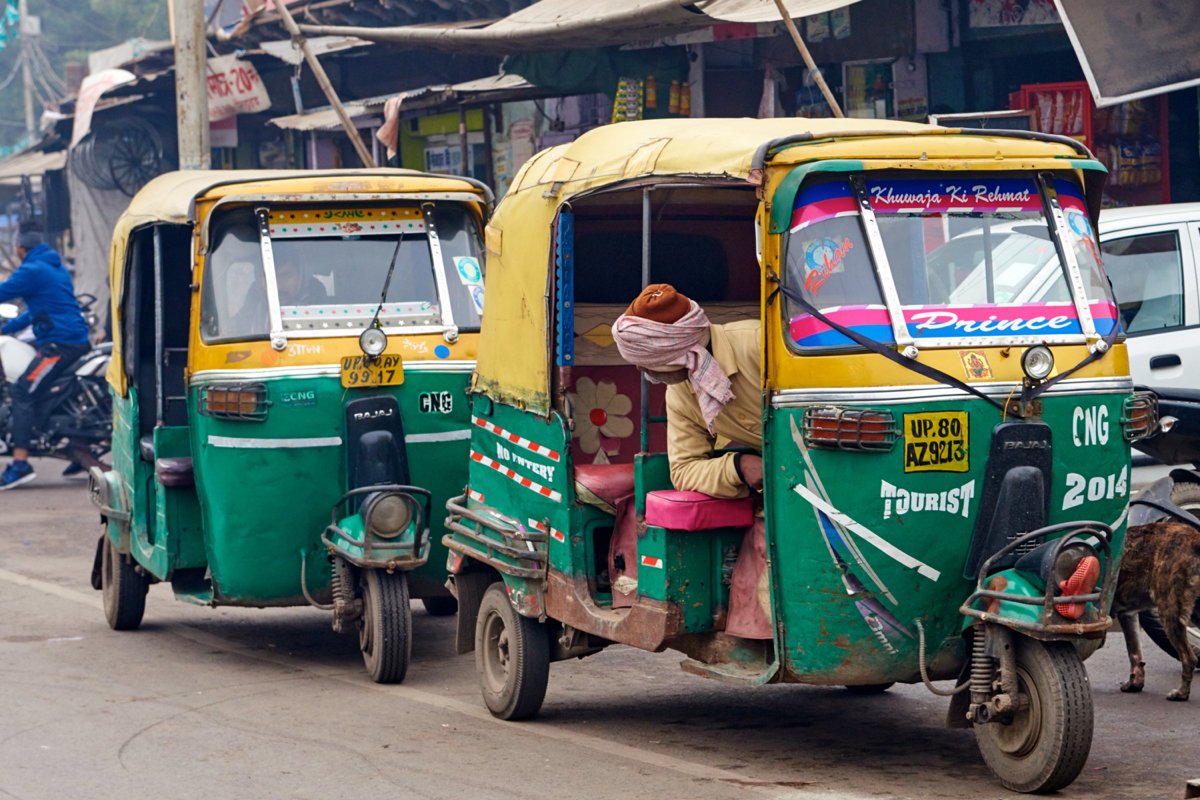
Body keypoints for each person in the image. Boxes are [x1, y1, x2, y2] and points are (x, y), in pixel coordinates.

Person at [610, 283, 771, 638]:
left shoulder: (760, 344)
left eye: (646, 362)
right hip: (772, 492)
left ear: (679, 353)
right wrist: (738, 467)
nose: (641, 370)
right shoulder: (680, 392)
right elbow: (684, 470)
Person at [0, 228, 92, 489]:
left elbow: (3, 292)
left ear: (19, 248)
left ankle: (20, 464)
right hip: (71, 338)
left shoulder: (31, 270)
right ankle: (79, 446)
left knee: (22, 392)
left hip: (60, 345)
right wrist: (5, 329)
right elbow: (35, 312)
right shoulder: (54, 265)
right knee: (37, 391)